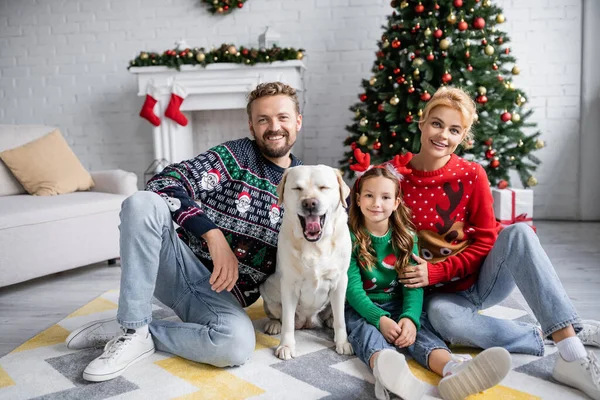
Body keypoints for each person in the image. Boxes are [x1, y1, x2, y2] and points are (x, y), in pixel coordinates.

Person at [64, 81, 303, 382]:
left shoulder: (304, 184)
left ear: (297, 121)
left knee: (236, 346)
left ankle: (136, 330)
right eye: (263, 119)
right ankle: (133, 328)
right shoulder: (237, 155)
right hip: (177, 265)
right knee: (143, 203)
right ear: (252, 126)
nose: (274, 127)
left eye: (282, 117)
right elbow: (164, 181)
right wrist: (212, 235)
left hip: (221, 299)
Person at [397, 86, 600, 400]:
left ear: (464, 136)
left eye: (454, 130)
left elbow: (484, 243)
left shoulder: (472, 174)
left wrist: (437, 272)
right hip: (437, 300)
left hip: (479, 281)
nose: (443, 136)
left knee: (519, 233)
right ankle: (562, 327)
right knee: (442, 317)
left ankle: (571, 354)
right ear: (421, 123)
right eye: (436, 124)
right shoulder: (397, 179)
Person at [344, 158, 511, 400]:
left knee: (421, 334)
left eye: (385, 197)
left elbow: (413, 287)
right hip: (363, 308)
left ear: (396, 202)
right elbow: (353, 290)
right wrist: (379, 319)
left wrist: (409, 319)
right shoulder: (348, 238)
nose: (376, 204)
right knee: (367, 336)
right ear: (358, 199)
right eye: (369, 196)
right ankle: (387, 375)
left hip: (398, 303)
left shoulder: (406, 237)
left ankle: (453, 370)